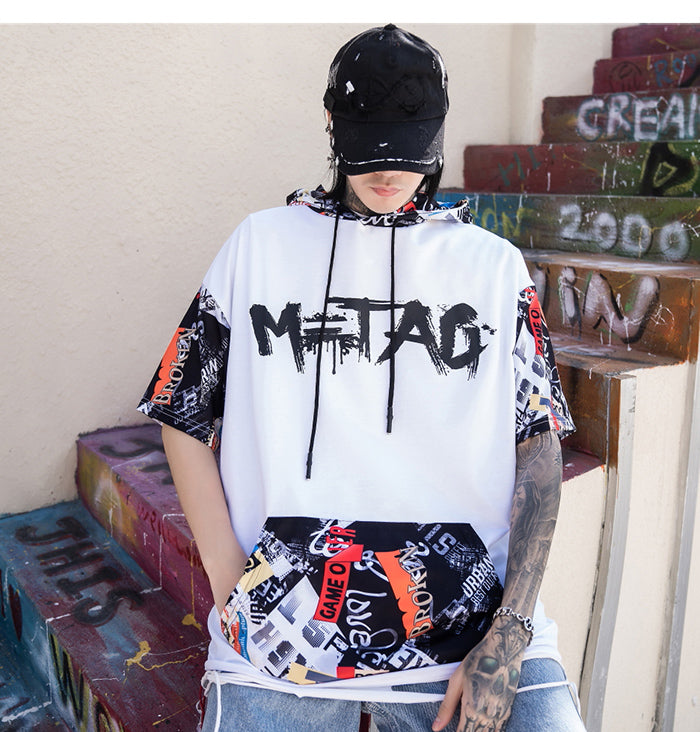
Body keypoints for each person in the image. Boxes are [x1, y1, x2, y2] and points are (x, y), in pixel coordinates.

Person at [138, 24, 585, 732]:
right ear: (331, 124)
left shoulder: (494, 267)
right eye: (369, 150)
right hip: (278, 645)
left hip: (471, 637)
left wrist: (508, 636)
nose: (387, 175)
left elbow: (539, 447)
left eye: (406, 153)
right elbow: (180, 410)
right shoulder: (259, 245)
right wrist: (230, 584)